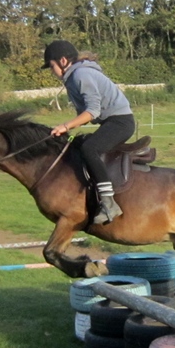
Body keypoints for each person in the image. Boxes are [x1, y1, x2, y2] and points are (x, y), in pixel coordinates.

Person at [42, 39, 135, 225]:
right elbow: (85, 115)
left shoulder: (81, 75)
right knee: (78, 145)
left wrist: (65, 126)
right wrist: (66, 130)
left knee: (89, 149)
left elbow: (92, 112)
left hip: (121, 123)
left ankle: (109, 204)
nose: (52, 72)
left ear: (62, 61)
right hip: (111, 122)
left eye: (51, 66)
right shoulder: (74, 77)